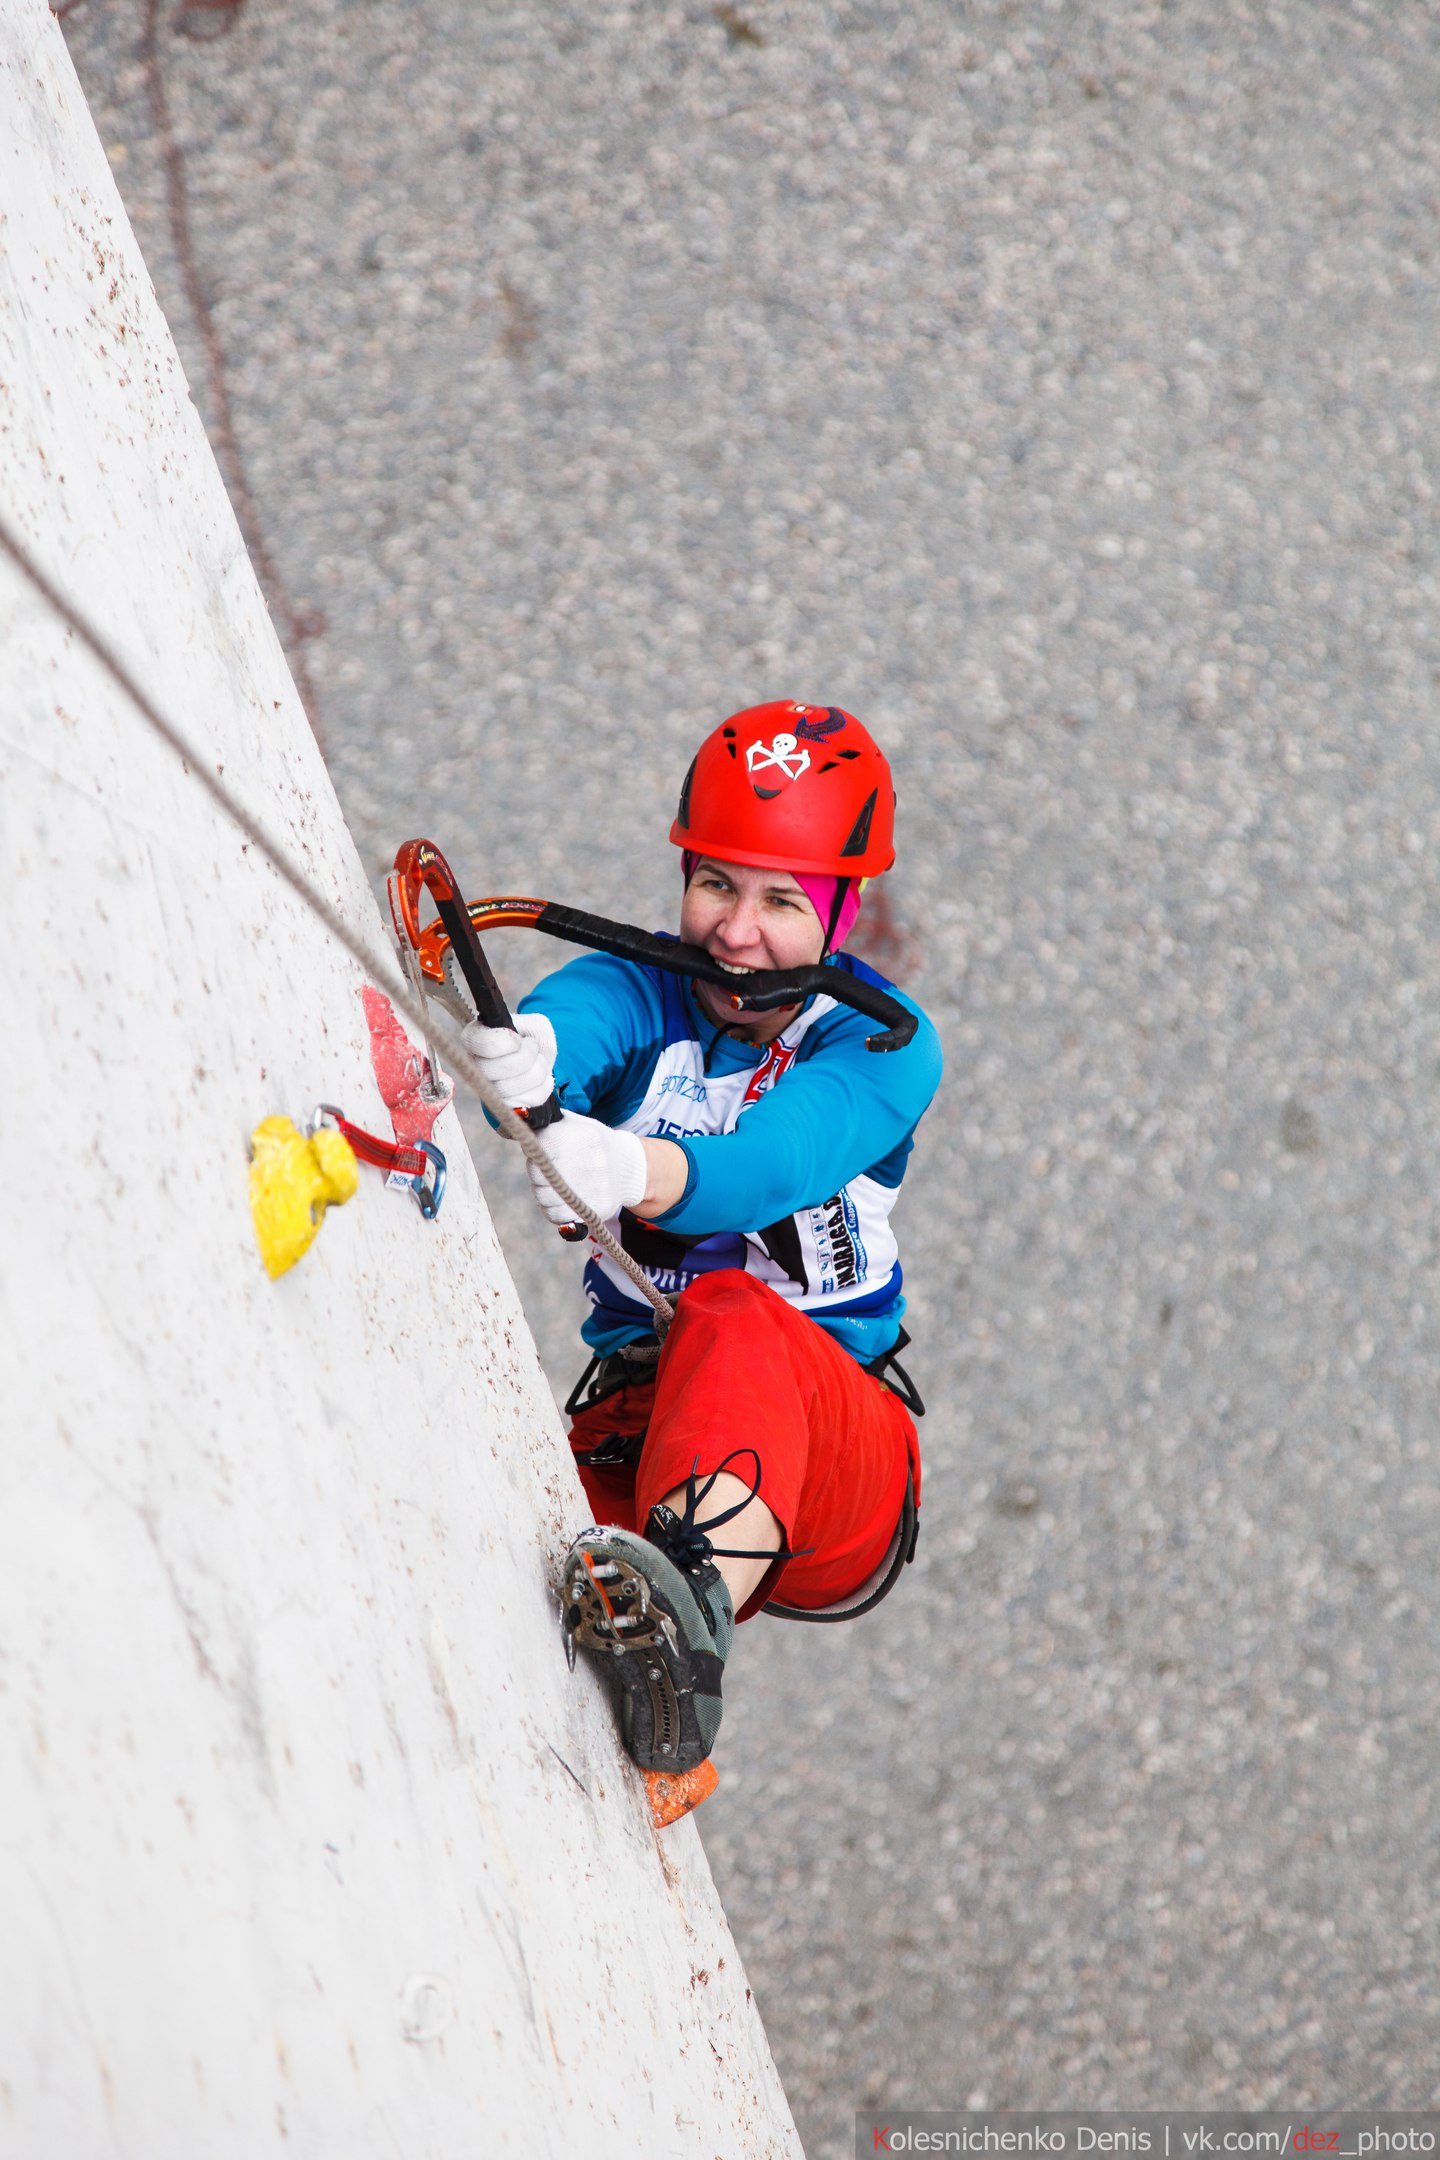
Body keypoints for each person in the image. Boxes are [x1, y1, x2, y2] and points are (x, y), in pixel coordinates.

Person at [464, 701, 942, 1795]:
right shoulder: (644, 989)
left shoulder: (884, 1045)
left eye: (782, 901)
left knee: (732, 1310)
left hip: (830, 1447)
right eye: (716, 884)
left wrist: (631, 1171)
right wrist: (526, 1066)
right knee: (523, 1548)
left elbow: (771, 1164)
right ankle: (654, 1750)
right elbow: (577, 1019)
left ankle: (684, 1635)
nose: (736, 931)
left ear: (843, 910)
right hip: (653, 1423)